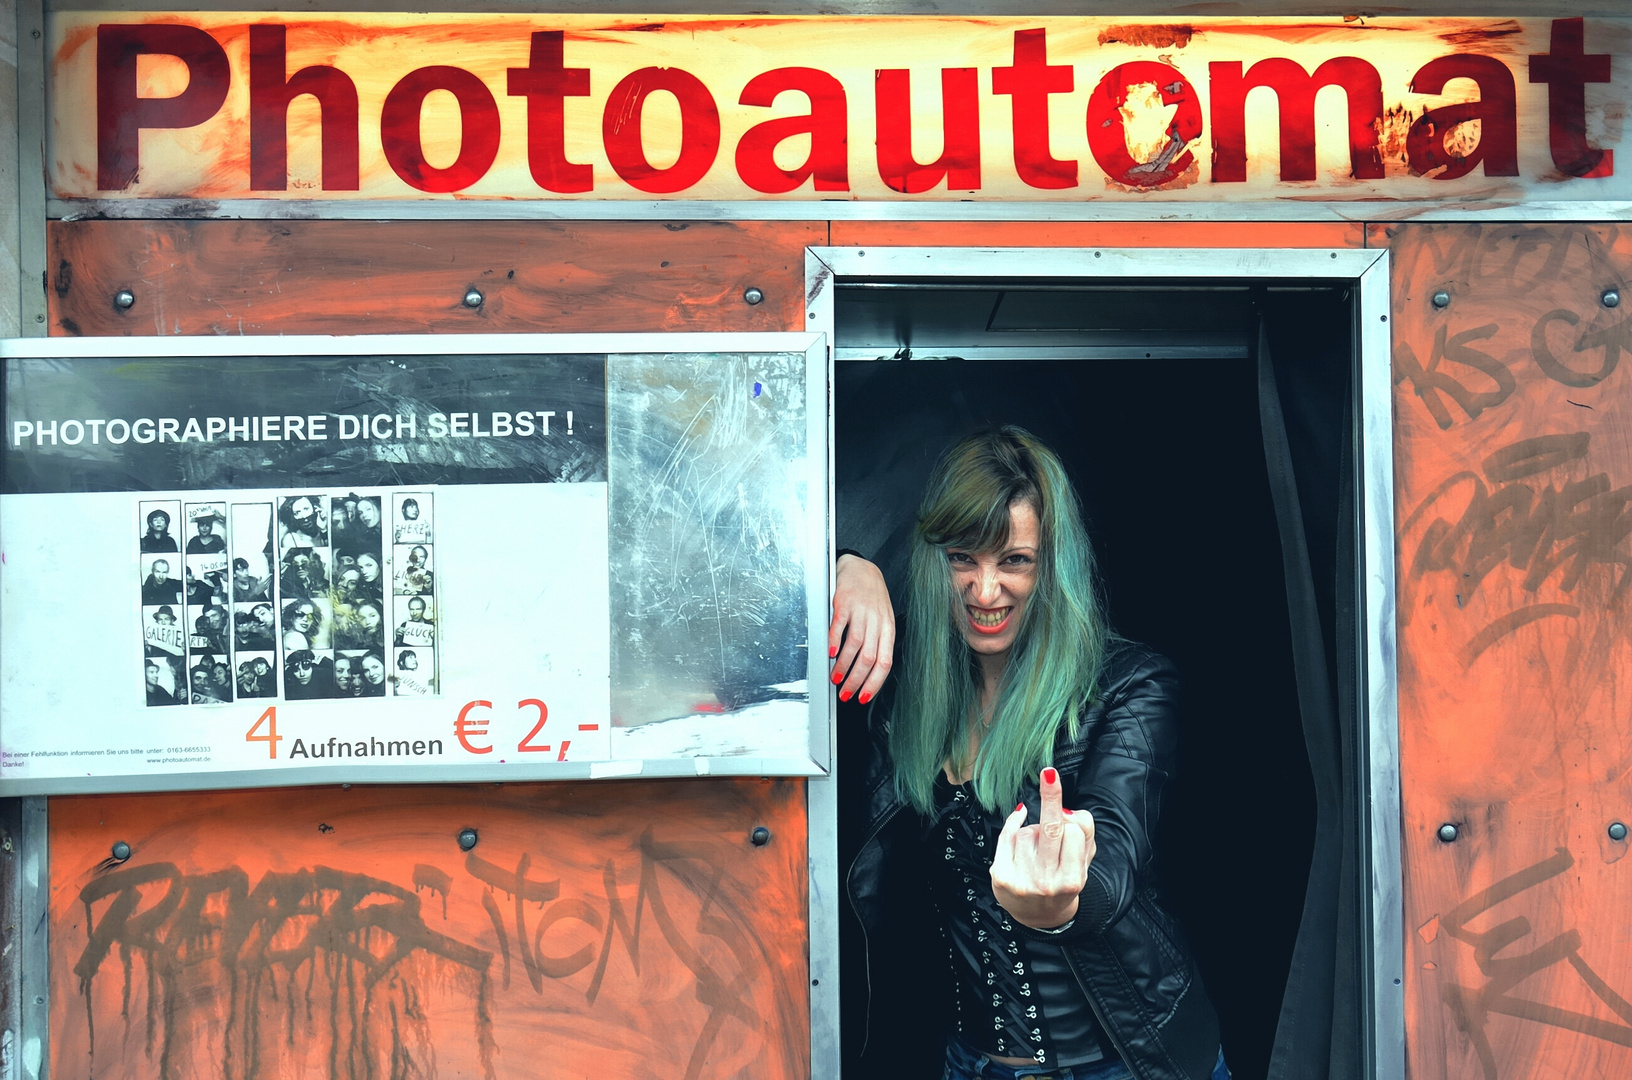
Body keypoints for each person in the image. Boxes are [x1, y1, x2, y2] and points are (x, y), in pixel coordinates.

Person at [831, 427, 1225, 1080]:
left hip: (1124, 1063)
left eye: (1014, 560)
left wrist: (1061, 905)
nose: (985, 592)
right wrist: (850, 565)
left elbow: (1114, 865)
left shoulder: (1131, 685)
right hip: (967, 1065)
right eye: (964, 557)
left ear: (1051, 565)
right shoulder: (905, 692)